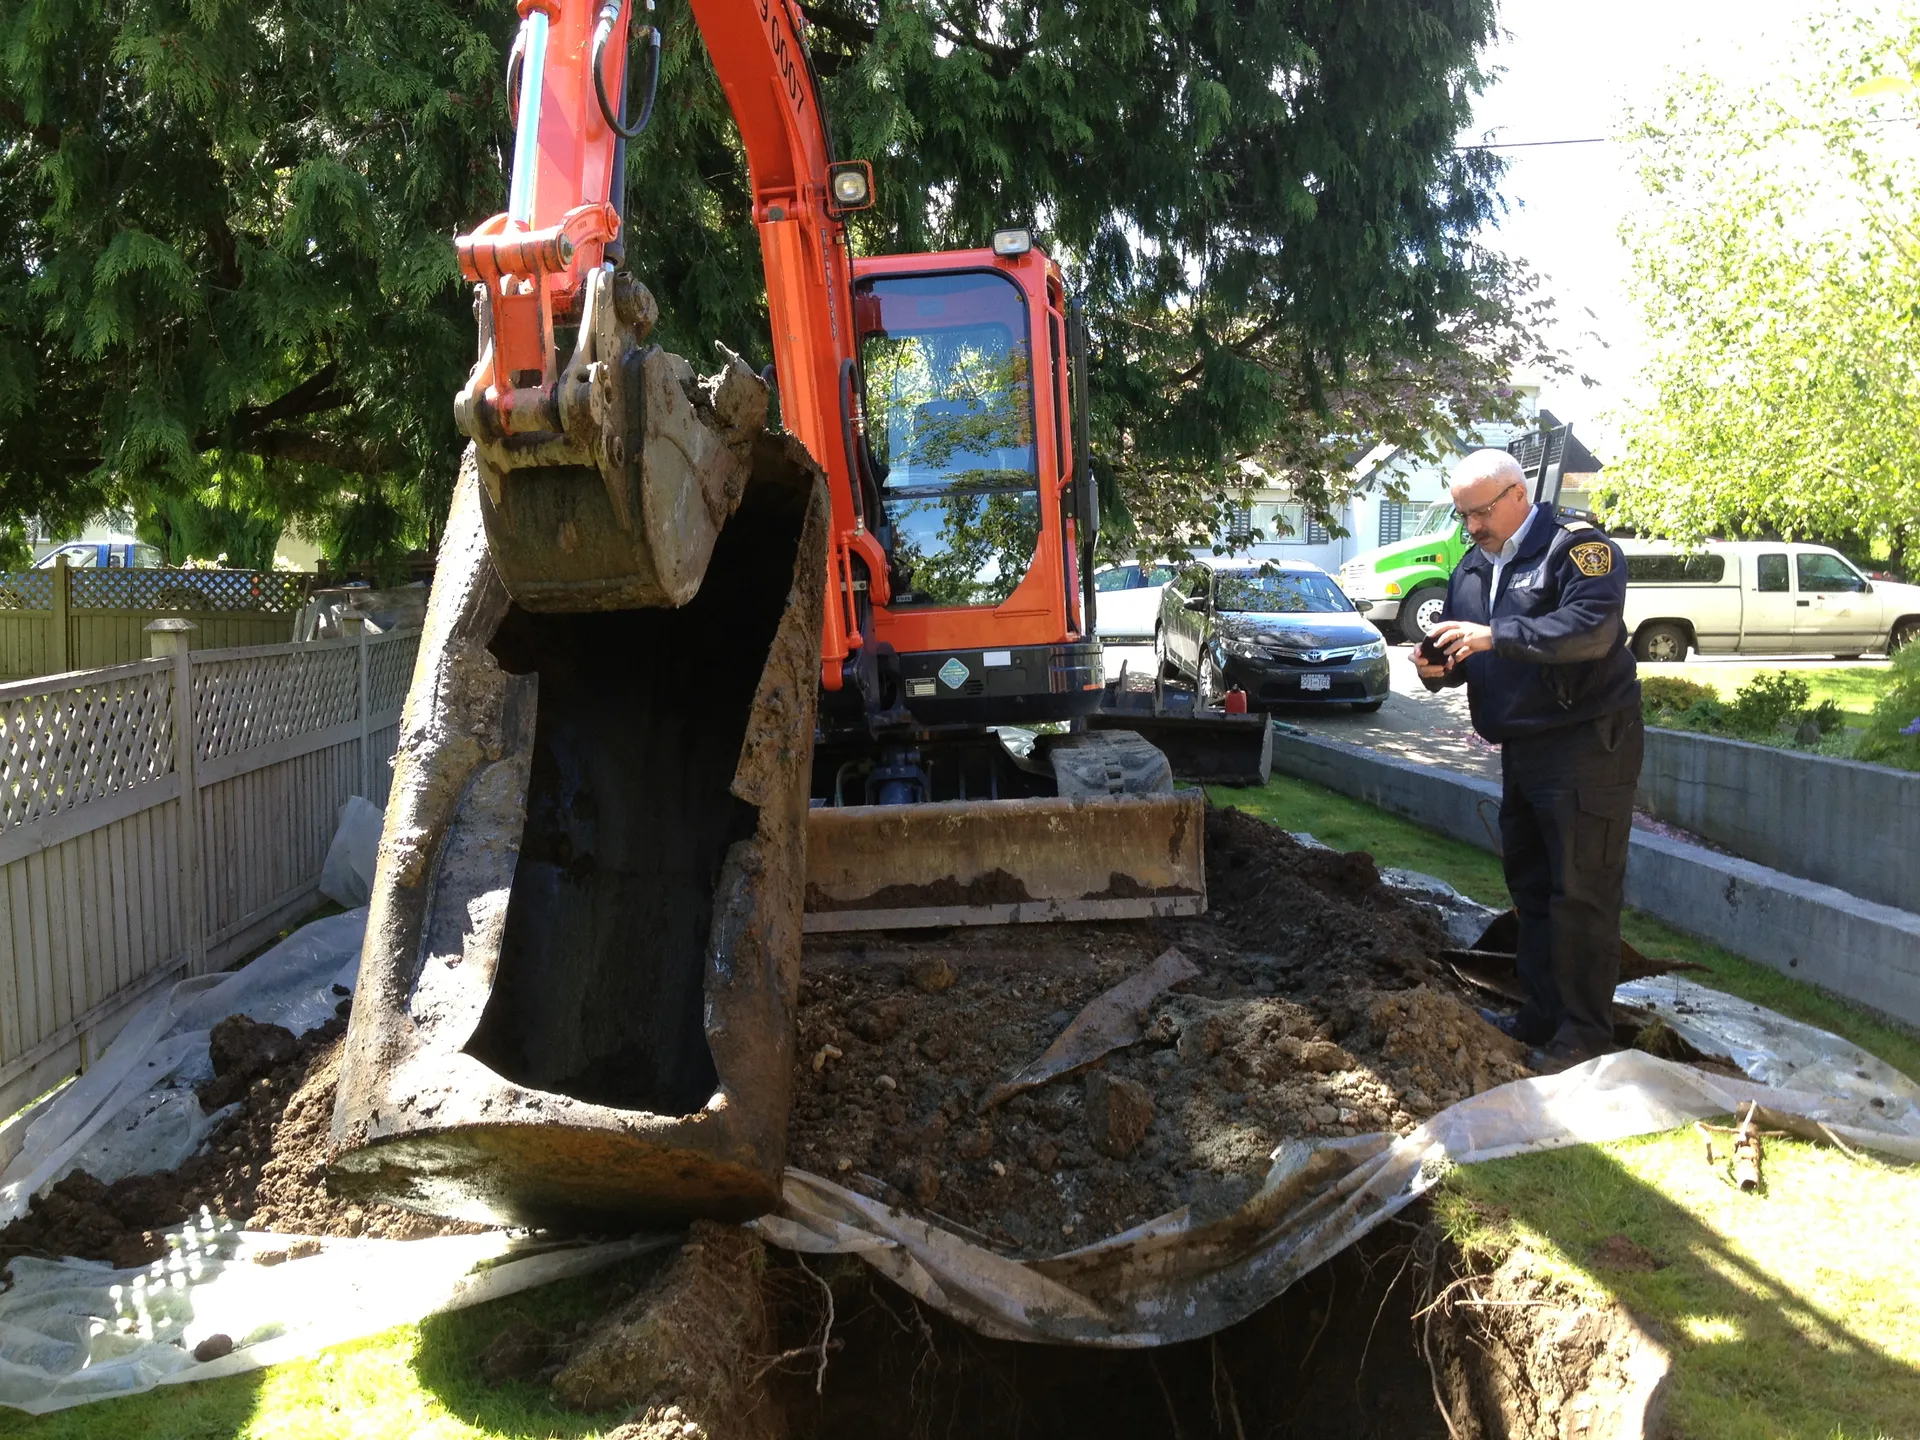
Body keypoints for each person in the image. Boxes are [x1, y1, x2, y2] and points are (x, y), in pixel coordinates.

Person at [1414, 450, 1642, 1069]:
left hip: (1586, 743)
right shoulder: (1471, 567)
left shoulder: (1576, 549)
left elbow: (1591, 629)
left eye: (1481, 512)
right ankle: (1541, 1014)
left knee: (1581, 890)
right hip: (1523, 747)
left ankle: (1585, 1035)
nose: (1472, 527)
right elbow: (1469, 659)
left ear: (1518, 494)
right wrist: (1438, 669)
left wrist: (1498, 635)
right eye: (1463, 516)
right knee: (1534, 889)